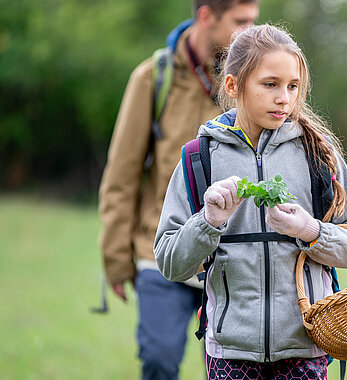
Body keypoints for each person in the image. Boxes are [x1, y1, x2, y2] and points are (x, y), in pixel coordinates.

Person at [153, 24, 347, 379]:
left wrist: (312, 231)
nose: (284, 98)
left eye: (292, 86)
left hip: (307, 346)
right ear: (232, 85)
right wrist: (208, 222)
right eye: (270, 84)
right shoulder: (199, 157)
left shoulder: (320, 155)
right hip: (229, 352)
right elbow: (169, 262)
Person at [97, 1, 259, 378]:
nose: (250, 31)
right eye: (241, 21)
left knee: (227, 372)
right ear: (206, 16)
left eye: (254, 20)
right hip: (160, 251)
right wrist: (116, 259)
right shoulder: (153, 79)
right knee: (159, 360)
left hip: (229, 258)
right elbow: (122, 176)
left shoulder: (253, 79)